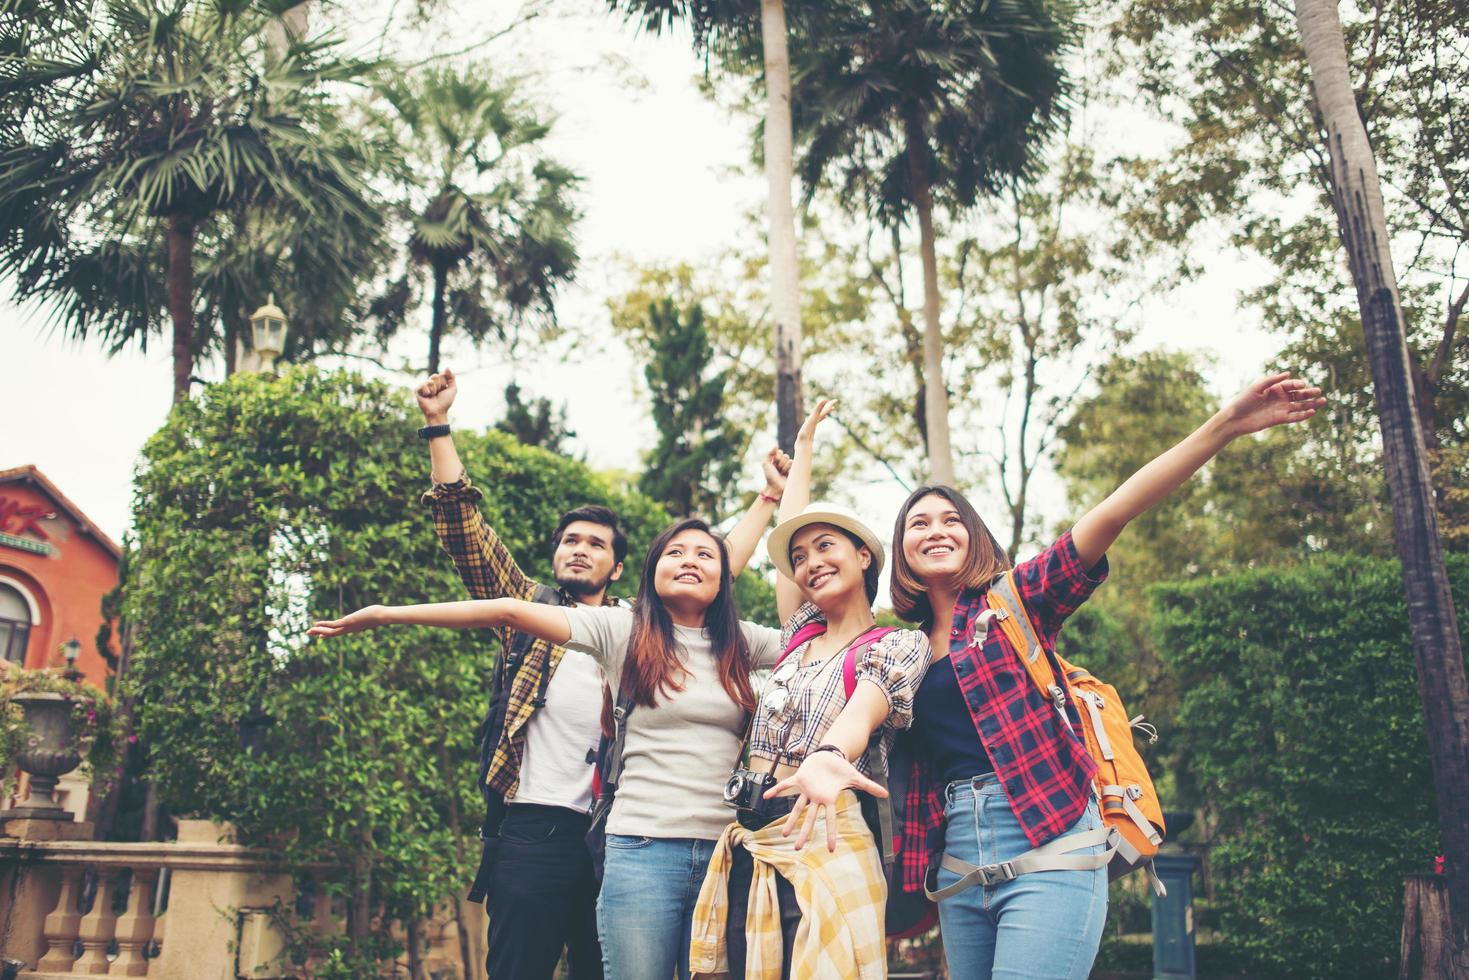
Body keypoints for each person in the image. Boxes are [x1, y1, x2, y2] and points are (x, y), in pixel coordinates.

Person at [776, 372, 1325, 980]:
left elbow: (1114, 511)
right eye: (918, 525)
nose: (934, 531)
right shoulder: (892, 646)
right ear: (896, 553)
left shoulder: (1016, 604)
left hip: (1048, 836)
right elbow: (800, 564)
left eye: (949, 520)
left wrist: (1224, 426)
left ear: (974, 536)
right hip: (956, 864)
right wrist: (800, 463)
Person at [412, 369, 788, 980]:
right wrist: (438, 425)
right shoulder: (531, 617)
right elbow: (467, 538)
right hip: (535, 826)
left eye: (594, 544)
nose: (578, 550)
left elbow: (714, 571)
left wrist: (768, 500)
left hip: (620, 831)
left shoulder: (643, 628)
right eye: (568, 541)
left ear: (619, 568)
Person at [310, 503, 791, 980]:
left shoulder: (727, 640)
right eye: (675, 552)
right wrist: (385, 614)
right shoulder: (619, 629)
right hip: (608, 838)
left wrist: (773, 498)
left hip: (700, 846)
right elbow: (507, 609)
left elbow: (781, 610)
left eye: (703, 556)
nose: (690, 561)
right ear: (650, 572)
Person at [687, 399, 932, 980]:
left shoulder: (894, 646)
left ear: (863, 555)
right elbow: (785, 536)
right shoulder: (799, 632)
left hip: (827, 836)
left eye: (827, 547)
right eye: (801, 557)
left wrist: (828, 755)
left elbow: (865, 706)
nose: (811, 563)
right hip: (755, 835)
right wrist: (803, 451)